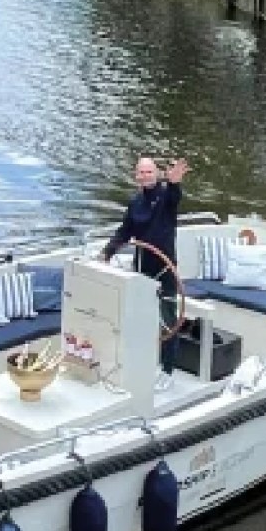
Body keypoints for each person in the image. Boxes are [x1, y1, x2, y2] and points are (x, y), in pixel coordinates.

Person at [100, 156, 190, 389]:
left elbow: (175, 197)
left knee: (168, 320)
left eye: (149, 172)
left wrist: (175, 183)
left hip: (165, 268)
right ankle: (141, 361)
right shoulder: (135, 203)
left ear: (157, 174)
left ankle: (168, 370)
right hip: (141, 268)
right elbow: (124, 231)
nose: (145, 176)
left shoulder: (166, 196)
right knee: (139, 318)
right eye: (141, 172)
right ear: (136, 176)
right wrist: (107, 253)